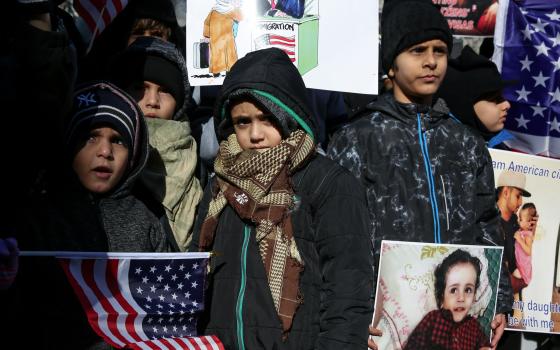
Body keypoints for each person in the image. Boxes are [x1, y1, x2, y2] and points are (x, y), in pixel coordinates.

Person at [326, 1, 512, 348]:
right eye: (417, 51)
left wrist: (498, 302)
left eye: (440, 50)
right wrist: (352, 311)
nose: (431, 61)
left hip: (457, 318)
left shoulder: (465, 142)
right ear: (391, 65)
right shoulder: (356, 138)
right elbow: (340, 237)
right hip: (385, 322)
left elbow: (487, 224)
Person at [189, 48, 373, 349]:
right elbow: (198, 283)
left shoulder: (327, 183)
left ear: (290, 117)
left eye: (267, 118)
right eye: (242, 121)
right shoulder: (218, 185)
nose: (255, 134)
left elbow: (348, 292)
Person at [9, 81, 171, 349]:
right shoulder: (35, 220)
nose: (105, 152)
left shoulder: (146, 221)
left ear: (133, 156)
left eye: (118, 141)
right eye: (90, 137)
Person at [111, 36, 204, 252]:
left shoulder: (202, 162)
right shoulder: (106, 158)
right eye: (139, 88)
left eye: (164, 90)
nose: (152, 101)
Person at [404, 249, 491, 350]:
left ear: (474, 295)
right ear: (442, 295)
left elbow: (486, 346)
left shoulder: (474, 327)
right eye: (453, 290)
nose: (461, 298)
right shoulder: (433, 319)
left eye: (468, 290)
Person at [437, 45, 513, 148]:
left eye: (502, 98)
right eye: (495, 99)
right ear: (465, 106)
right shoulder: (439, 149)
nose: (507, 104)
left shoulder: (504, 149)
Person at [496, 170, 535, 295]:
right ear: (506, 192)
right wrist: (523, 281)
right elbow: (499, 279)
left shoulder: (515, 222)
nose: (521, 202)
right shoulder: (488, 223)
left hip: (514, 299)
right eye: (518, 196)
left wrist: (531, 230)